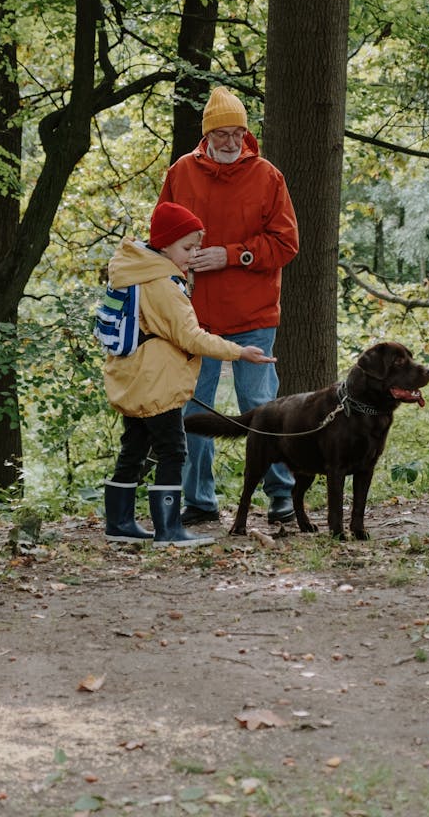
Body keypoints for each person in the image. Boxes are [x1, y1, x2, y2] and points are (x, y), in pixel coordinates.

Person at [156, 85, 299, 527]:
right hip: (194, 318)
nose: (232, 142)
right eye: (223, 134)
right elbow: (160, 236)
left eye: (239, 133)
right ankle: (200, 502)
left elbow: (286, 244)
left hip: (253, 317)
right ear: (207, 135)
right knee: (195, 409)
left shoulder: (268, 176)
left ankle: (282, 496)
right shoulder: (181, 172)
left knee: (262, 405)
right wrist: (179, 258)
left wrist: (232, 255)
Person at [102, 200, 276, 548]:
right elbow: (191, 337)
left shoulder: (132, 272)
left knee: (133, 449)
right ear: (164, 244)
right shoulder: (162, 284)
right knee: (173, 451)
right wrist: (240, 352)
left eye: (196, 247)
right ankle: (168, 530)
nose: (192, 255)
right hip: (156, 384)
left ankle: (119, 523)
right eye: (187, 247)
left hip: (133, 379)